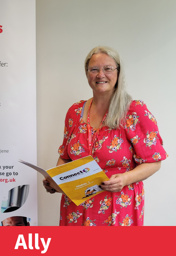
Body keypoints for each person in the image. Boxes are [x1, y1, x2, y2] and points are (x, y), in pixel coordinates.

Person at [43, 46, 167, 226]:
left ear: (118, 72)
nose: (101, 74)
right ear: (87, 74)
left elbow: (154, 161)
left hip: (118, 208)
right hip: (77, 209)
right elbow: (65, 157)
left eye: (108, 68)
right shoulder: (75, 112)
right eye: (94, 69)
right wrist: (57, 181)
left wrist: (125, 179)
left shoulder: (134, 111)